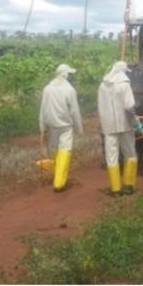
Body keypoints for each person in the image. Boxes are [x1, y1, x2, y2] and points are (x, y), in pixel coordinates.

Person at [98, 61, 143, 195]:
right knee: (130, 154)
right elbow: (129, 107)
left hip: (109, 127)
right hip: (125, 126)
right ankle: (128, 186)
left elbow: (101, 108)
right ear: (123, 71)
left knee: (111, 157)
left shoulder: (102, 86)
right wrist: (137, 124)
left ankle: (116, 189)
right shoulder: (124, 85)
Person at [39, 63, 83, 192]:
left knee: (55, 150)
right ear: (66, 75)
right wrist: (79, 129)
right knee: (65, 150)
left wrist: (42, 127)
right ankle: (59, 183)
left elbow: (43, 109)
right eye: (70, 74)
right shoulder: (70, 90)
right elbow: (74, 111)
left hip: (51, 125)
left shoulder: (47, 88)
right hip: (65, 126)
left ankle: (56, 176)